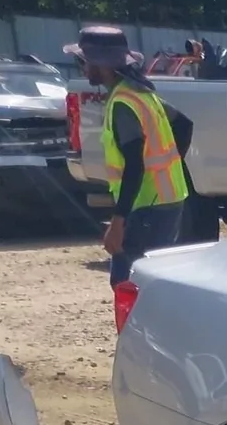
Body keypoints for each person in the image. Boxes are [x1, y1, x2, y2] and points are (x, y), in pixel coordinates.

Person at [65, 24, 195, 284]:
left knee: (128, 284)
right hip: (167, 200)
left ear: (101, 64)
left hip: (146, 208)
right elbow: (184, 125)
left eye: (83, 61)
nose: (82, 67)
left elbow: (135, 165)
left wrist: (118, 221)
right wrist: (169, 168)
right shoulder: (141, 93)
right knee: (153, 283)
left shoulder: (124, 103)